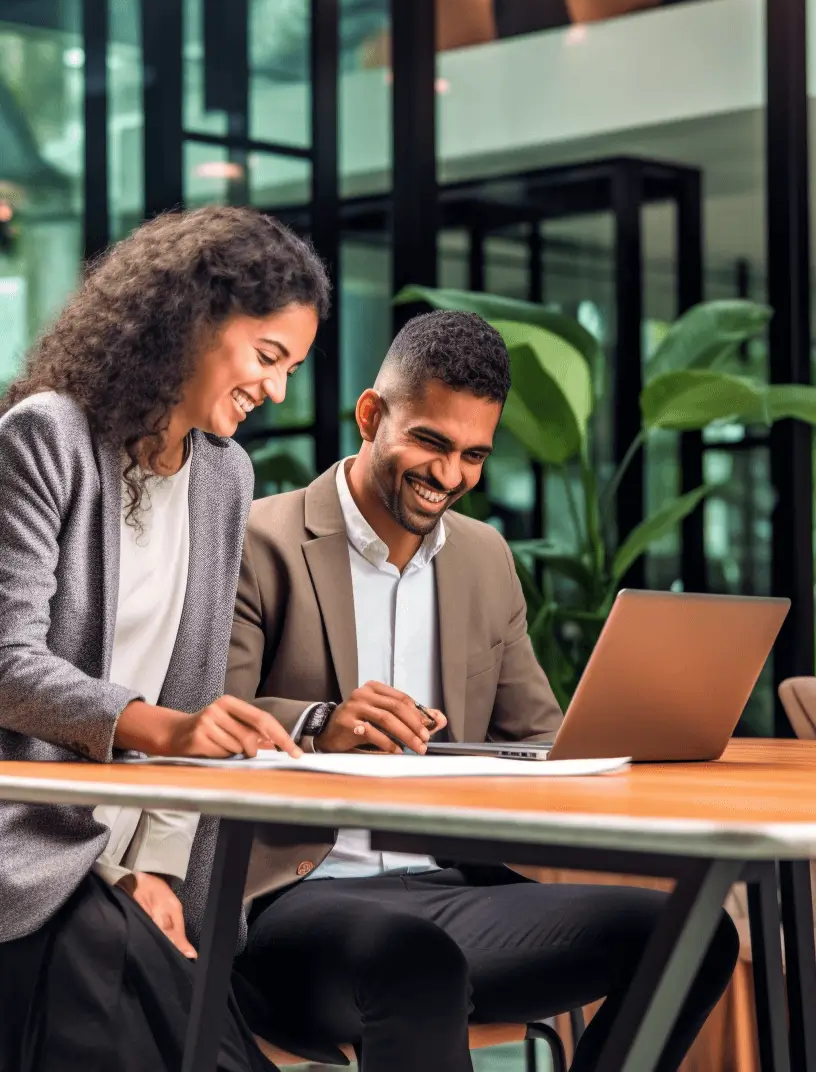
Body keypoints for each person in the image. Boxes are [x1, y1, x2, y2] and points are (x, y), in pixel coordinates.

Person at [227, 309, 740, 1072]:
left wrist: (629, 729)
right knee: (415, 961)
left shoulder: (483, 558)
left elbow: (541, 734)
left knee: (693, 933)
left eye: (473, 455)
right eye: (430, 442)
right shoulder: (257, 540)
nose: (450, 475)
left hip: (448, 888)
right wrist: (318, 723)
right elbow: (204, 717)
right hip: (293, 903)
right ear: (373, 415)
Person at [0, 205, 330, 1072]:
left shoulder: (226, 476)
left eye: (293, 368)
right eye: (269, 358)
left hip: (141, 860)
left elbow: (195, 689)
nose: (279, 391)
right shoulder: (47, 437)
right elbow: (5, 662)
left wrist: (153, 869)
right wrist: (162, 728)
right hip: (30, 848)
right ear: (189, 321)